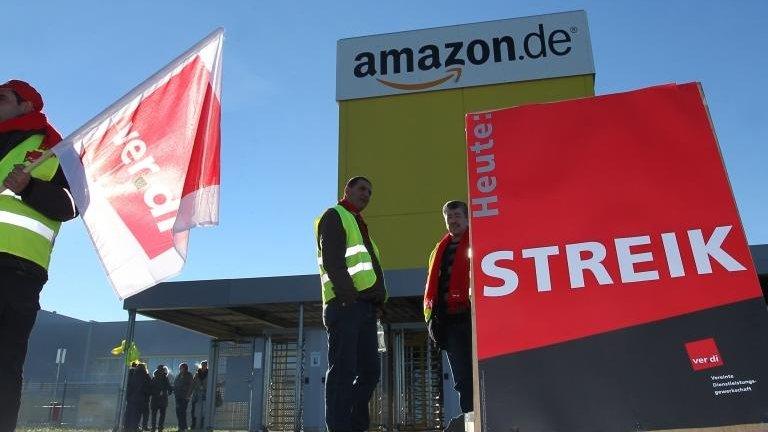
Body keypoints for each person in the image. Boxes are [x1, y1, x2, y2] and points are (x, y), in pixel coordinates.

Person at [0, 80, 77, 432]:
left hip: (16, 271)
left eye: (1, 98)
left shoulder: (52, 150)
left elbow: (71, 205)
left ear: (27, 106)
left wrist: (29, 187)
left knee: (3, 366)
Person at [315, 176, 387, 432]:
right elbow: (332, 261)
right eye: (361, 189)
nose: (366, 194)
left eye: (370, 191)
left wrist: (376, 305)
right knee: (343, 372)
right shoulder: (335, 215)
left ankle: (354, 425)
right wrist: (349, 298)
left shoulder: (359, 224)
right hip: (346, 306)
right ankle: (339, 427)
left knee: (370, 373)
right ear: (347, 190)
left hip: (365, 310)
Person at [423, 201, 474, 432]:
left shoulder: (479, 241)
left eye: (457, 216)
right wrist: (432, 321)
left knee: (484, 374)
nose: (453, 220)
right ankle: (473, 422)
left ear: (466, 217)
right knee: (463, 380)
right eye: (449, 217)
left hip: (474, 321)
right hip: (450, 324)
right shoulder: (438, 250)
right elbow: (432, 288)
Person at [126, 363, 151, 431]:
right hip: (143, 399)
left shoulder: (133, 376)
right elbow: (149, 387)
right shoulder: (146, 376)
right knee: (144, 413)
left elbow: (130, 387)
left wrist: (129, 396)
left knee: (134, 413)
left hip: (133, 398)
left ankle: (132, 426)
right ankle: (142, 426)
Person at [149, 364, 173, 432]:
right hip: (163, 399)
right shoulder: (165, 378)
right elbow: (169, 387)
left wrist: (154, 393)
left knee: (154, 414)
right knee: (162, 414)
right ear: (163, 370)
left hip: (155, 399)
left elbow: (150, 388)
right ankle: (160, 427)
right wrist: (170, 391)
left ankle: (153, 428)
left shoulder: (154, 378)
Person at [173, 362, 194, 431]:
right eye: (180, 368)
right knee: (178, 412)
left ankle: (183, 427)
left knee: (182, 411)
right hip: (178, 396)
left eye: (181, 368)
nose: (180, 369)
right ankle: (181, 426)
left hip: (184, 397)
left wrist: (188, 395)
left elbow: (191, 386)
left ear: (185, 368)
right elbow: (175, 383)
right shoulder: (179, 375)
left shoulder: (189, 375)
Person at [190, 360, 208, 429]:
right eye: (203, 365)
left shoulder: (209, 374)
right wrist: (189, 394)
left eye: (205, 365)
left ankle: (202, 425)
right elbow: (193, 384)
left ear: (207, 366)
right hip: (196, 395)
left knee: (204, 411)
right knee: (194, 410)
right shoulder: (197, 374)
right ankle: (193, 424)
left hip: (205, 395)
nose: (204, 367)